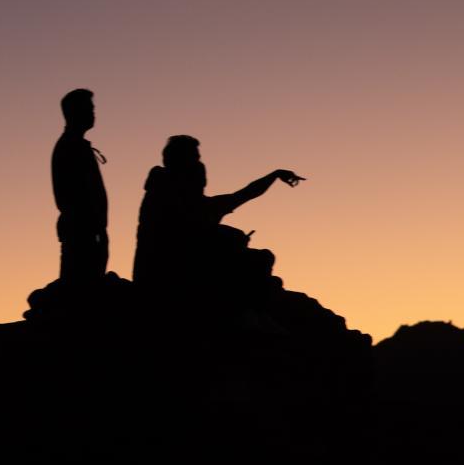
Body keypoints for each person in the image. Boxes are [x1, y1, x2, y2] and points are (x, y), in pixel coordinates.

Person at [132, 134, 303, 305]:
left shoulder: (202, 205)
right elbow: (183, 235)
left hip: (181, 278)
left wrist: (275, 174)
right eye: (195, 162)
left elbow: (245, 194)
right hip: (168, 281)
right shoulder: (162, 197)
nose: (201, 170)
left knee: (261, 258)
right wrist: (230, 239)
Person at [51, 88, 109, 281]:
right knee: (80, 289)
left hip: (88, 232)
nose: (93, 113)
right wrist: (94, 229)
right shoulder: (70, 147)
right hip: (82, 234)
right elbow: (75, 196)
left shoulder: (76, 146)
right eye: (89, 108)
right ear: (74, 113)